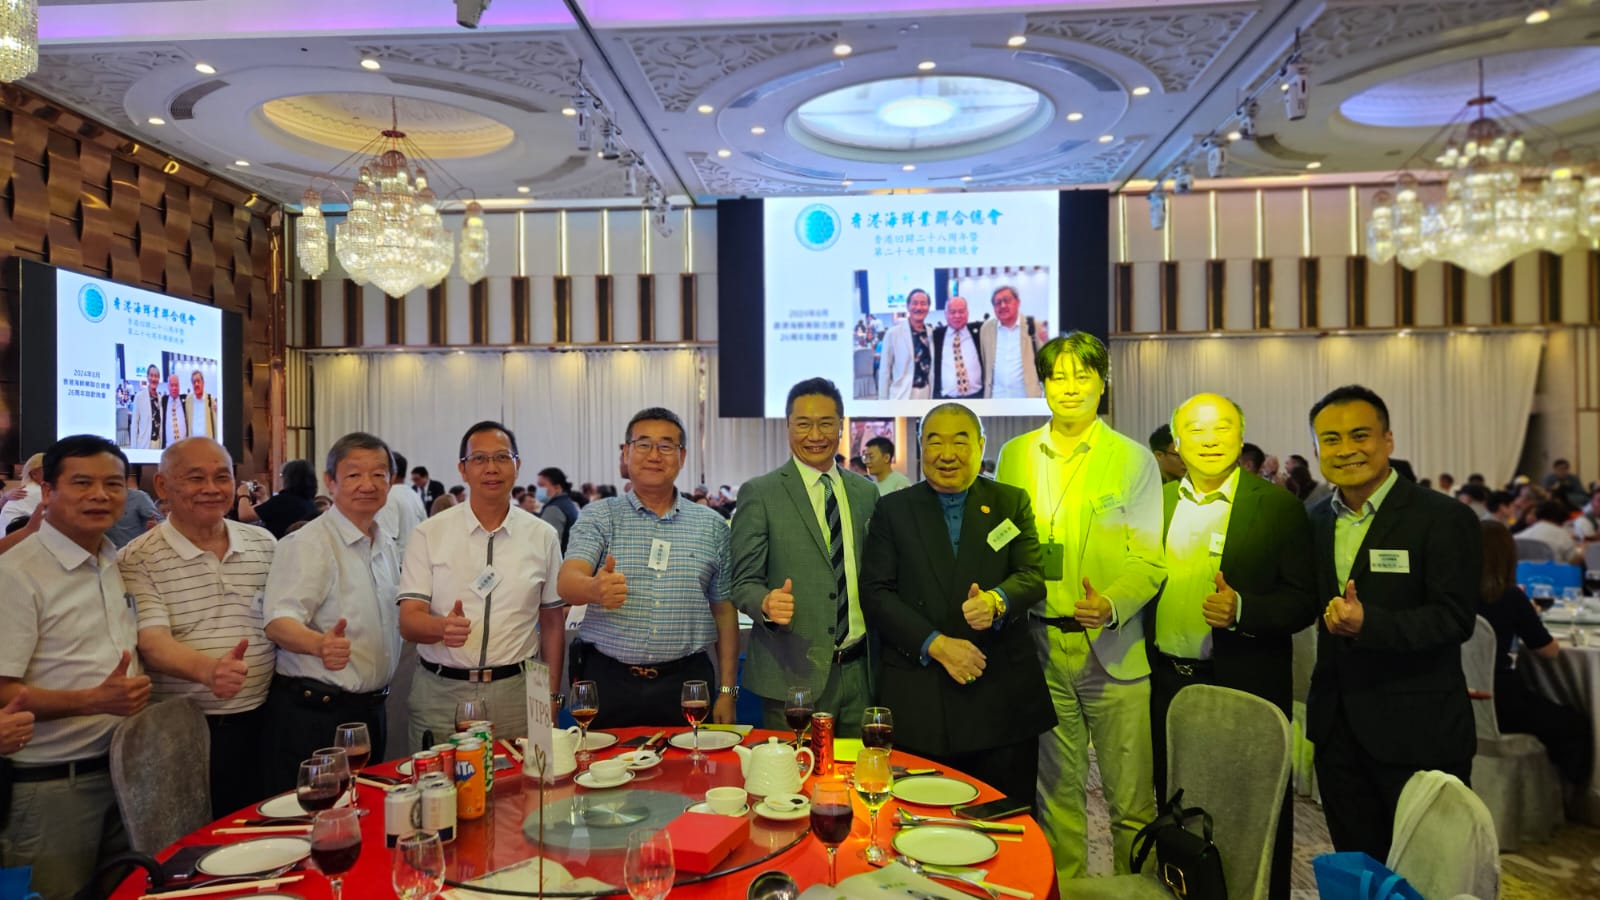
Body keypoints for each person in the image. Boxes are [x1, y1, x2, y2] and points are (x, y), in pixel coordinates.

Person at [994, 332, 1164, 881]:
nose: (1069, 387)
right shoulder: (1016, 455)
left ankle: (1135, 892)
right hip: (1039, 646)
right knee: (1056, 796)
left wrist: (1111, 603)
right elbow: (1002, 540)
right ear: (1043, 385)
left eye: (1082, 375)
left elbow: (1149, 559)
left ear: (1102, 384)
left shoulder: (1131, 459)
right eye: (1058, 376)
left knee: (1131, 800)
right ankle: (1064, 890)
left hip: (1113, 648)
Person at [1148, 393, 1316, 900]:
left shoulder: (1278, 507)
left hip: (1244, 681)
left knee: (1255, 815)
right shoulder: (1157, 502)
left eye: (1221, 427)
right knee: (1175, 807)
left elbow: (1302, 601)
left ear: (1240, 438)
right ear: (1177, 443)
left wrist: (1243, 610)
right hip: (1168, 684)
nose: (1209, 439)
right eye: (1195, 430)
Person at [1306, 384, 1479, 860]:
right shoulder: (1315, 520)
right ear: (1317, 451)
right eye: (1331, 439)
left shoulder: (1443, 517)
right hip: (1337, 731)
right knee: (1357, 867)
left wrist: (1370, 624)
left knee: (1428, 871)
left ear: (1387, 440)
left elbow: (1455, 618)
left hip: (1418, 732)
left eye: (1359, 435)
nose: (1346, 449)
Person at [860, 402, 1051, 800]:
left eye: (960, 441)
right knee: (921, 813)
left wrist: (997, 601)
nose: (947, 454)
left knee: (1003, 815)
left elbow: (1031, 576)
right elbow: (876, 593)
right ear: (920, 448)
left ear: (981, 445)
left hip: (1000, 692)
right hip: (922, 695)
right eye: (935, 441)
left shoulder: (1009, 501)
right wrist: (936, 644)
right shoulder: (893, 509)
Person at [0, 435, 147, 899]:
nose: (100, 495)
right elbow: (3, 691)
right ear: (48, 491)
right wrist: (93, 700)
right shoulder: (17, 573)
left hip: (122, 771)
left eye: (113, 484)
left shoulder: (110, 560)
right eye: (82, 483)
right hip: (52, 785)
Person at [118, 437, 277, 818]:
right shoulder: (137, 558)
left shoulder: (264, 544)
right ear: (162, 486)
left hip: (267, 720)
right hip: (185, 731)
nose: (211, 488)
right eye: (195, 478)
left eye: (222, 477)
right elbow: (152, 641)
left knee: (263, 829)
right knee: (197, 838)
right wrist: (209, 670)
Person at [557, 407, 739, 728]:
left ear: (682, 456)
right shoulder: (599, 516)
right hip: (608, 680)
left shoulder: (712, 526)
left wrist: (727, 691)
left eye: (666, 446)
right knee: (603, 760)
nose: (654, 455)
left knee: (692, 760)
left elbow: (724, 612)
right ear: (626, 452)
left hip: (687, 683)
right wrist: (594, 589)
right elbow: (568, 581)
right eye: (643, 444)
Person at [399, 422, 567, 750]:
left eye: (502, 457)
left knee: (527, 781)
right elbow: (408, 621)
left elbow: (552, 622)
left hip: (520, 691)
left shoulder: (543, 535)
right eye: (479, 459)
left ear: (517, 465)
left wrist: (550, 696)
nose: (491, 468)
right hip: (441, 692)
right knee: (439, 782)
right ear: (462, 469)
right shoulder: (429, 534)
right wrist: (441, 628)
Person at [730, 379, 880, 737]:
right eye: (803, 424)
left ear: (841, 425)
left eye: (826, 423)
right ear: (788, 425)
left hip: (860, 672)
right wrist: (765, 603)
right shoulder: (761, 493)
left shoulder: (865, 492)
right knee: (796, 771)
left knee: (857, 769)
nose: (815, 435)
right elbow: (743, 581)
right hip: (792, 674)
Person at [262, 433, 401, 792]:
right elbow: (278, 621)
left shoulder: (386, 543)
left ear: (391, 481)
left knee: (364, 810)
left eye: (379, 474)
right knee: (318, 817)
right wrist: (318, 644)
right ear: (330, 482)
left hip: (370, 711)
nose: (368, 485)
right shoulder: (309, 543)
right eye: (354, 475)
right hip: (318, 715)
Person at [1476, 520, 1592, 785]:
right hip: (1501, 701)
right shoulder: (1509, 596)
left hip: (1455, 700)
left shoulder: (1451, 594)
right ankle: (1570, 796)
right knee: (1575, 725)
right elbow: (1548, 651)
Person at [979, 285, 1046, 399]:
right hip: (995, 398)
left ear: (1018, 302)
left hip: (1027, 398)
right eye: (997, 302)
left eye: (1006, 300)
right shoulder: (986, 329)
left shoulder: (1034, 326)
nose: (1002, 305)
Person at [237, 459, 320, 538]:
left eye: (281, 475)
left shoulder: (283, 500)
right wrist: (263, 496)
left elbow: (244, 516)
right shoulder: (310, 503)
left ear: (288, 478)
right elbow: (275, 511)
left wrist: (244, 494)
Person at [877, 289, 933, 401]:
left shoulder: (931, 333)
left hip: (926, 393)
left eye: (923, 303)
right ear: (908, 306)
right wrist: (882, 401)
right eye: (915, 303)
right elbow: (884, 371)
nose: (919, 307)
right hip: (901, 394)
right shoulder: (893, 333)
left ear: (928, 307)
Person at [931, 297, 984, 400]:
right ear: (945, 314)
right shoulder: (936, 336)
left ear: (967, 313)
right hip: (946, 400)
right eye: (952, 312)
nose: (957, 316)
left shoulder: (979, 332)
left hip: (977, 397)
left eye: (961, 311)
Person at [377, 451, 428, 555]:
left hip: (397, 560)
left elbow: (387, 538)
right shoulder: (414, 495)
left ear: (391, 472)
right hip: (415, 556)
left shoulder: (389, 496)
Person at [1518, 499, 1583, 563]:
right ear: (1561, 519)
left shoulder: (1520, 536)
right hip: (1554, 569)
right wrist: (1583, 552)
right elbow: (1573, 560)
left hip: (1522, 570)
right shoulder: (1563, 536)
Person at [537, 467, 583, 553]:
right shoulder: (569, 504)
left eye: (542, 486)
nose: (538, 490)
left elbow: (547, 546)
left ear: (557, 488)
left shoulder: (553, 510)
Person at [0, 452, 44, 532]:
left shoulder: (29, 490)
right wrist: (5, 497)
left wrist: (5, 498)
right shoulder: (36, 492)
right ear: (34, 474)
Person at [128, 365, 164, 450]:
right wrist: (133, 448)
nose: (153, 379)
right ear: (147, 377)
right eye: (151, 375)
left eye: (156, 376)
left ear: (159, 379)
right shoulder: (139, 397)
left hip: (158, 444)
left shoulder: (160, 399)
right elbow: (134, 424)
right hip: (144, 444)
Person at [185, 369, 218, 440]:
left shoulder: (210, 400)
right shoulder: (188, 401)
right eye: (194, 382)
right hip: (192, 443)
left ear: (203, 382)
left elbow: (216, 425)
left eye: (198, 381)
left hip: (207, 443)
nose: (196, 384)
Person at [163, 373, 188, 447]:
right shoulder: (163, 401)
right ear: (168, 387)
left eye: (176, 385)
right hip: (168, 448)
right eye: (171, 385)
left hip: (184, 447)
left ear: (179, 386)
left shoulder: (186, 400)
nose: (174, 388)